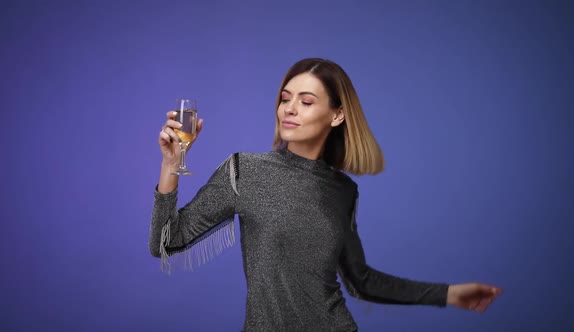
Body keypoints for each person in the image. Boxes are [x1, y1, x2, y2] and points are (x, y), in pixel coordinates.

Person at [149, 58, 503, 331]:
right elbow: (166, 242)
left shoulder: (343, 191)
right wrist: (170, 166)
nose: (289, 108)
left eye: (306, 101)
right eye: (285, 98)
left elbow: (361, 280)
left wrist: (450, 294)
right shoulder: (245, 170)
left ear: (337, 115)